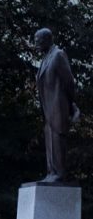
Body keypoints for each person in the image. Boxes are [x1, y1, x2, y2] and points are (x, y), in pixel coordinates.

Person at [34, 27, 79, 183]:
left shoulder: (58, 55)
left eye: (38, 41)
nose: (36, 45)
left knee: (57, 138)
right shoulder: (46, 58)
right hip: (48, 108)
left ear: (48, 40)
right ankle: (51, 172)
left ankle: (58, 173)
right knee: (50, 138)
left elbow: (69, 81)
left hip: (59, 106)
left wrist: (72, 104)